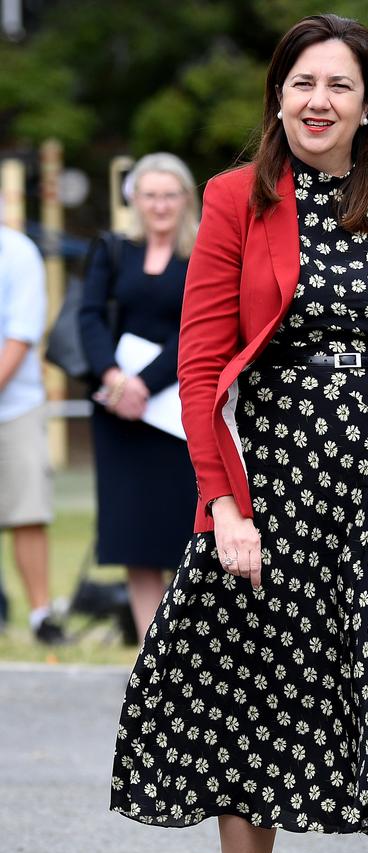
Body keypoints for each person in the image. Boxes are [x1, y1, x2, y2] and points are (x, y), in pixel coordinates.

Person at [110, 15, 368, 853]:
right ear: (278, 98)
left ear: (366, 103)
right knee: (256, 714)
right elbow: (200, 369)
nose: (319, 101)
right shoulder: (236, 197)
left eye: (339, 85)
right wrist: (225, 507)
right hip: (269, 503)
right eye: (303, 83)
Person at [79, 152, 199, 642]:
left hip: (175, 411)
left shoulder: (201, 252)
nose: (160, 204)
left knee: (180, 533)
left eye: (170, 194)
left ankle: (187, 650)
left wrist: (144, 384)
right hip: (119, 412)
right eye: (150, 195)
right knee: (134, 535)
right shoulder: (112, 250)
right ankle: (151, 655)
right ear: (134, 200)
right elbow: (87, 316)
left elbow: (196, 328)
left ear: (186, 199)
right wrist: (114, 380)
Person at [0, 223, 65, 644]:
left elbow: (20, 337)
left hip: (16, 405)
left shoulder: (17, 252)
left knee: (26, 512)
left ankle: (41, 614)